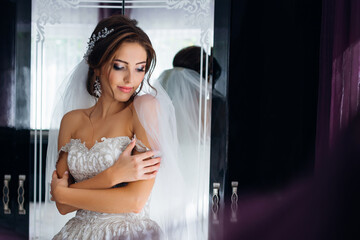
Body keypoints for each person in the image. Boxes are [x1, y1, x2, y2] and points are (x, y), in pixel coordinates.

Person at [46, 15, 187, 239]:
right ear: (97, 66)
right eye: (120, 66)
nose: (131, 79)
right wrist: (111, 177)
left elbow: (134, 201)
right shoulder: (71, 121)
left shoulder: (144, 109)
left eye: (140, 69)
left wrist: (66, 193)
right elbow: (62, 206)